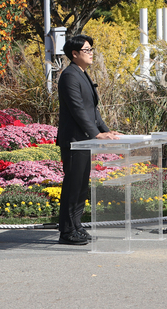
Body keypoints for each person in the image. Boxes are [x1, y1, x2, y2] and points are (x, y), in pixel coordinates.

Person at [56, 34, 121, 245]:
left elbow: (92, 110)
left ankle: (76, 225)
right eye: (86, 50)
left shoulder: (82, 73)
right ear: (74, 54)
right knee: (73, 187)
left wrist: (106, 131)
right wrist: (96, 133)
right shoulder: (69, 76)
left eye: (91, 49)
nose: (91, 53)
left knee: (81, 187)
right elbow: (77, 110)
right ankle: (66, 231)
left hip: (84, 140)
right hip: (74, 140)